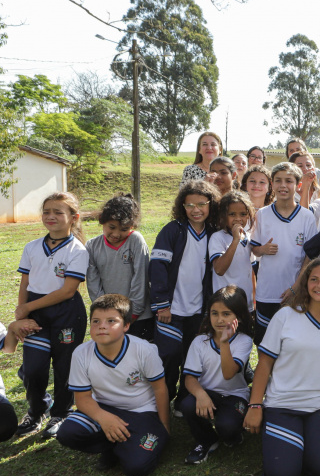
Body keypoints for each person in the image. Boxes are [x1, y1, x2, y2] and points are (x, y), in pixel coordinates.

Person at [245, 259, 320, 476]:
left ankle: (298, 447)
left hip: (319, 407)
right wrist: (255, 405)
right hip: (282, 405)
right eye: (314, 279)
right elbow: (264, 364)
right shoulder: (285, 316)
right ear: (305, 283)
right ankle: (290, 450)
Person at [55, 294, 170, 476]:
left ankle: (123, 444)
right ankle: (110, 444)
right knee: (67, 433)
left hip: (142, 412)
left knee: (136, 468)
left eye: (111, 321)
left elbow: (160, 388)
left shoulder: (144, 350)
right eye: (96, 321)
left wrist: (164, 426)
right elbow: (82, 399)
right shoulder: (81, 353)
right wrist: (103, 418)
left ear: (126, 326)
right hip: (105, 408)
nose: (102, 326)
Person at [15, 191, 89, 438]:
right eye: (46, 211)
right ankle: (37, 411)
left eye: (58, 212)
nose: (51, 216)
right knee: (33, 368)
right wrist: (21, 313)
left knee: (64, 367)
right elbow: (25, 283)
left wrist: (28, 308)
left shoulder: (78, 250)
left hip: (66, 314)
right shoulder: (32, 247)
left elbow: (68, 291)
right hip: (35, 314)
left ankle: (61, 413)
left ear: (73, 217)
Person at [150, 180, 220, 403]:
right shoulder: (173, 230)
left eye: (201, 204)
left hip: (199, 309)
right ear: (182, 206)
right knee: (168, 354)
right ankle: (164, 397)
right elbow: (157, 267)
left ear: (211, 204)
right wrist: (162, 303)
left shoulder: (213, 233)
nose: (195, 209)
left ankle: (184, 398)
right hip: (172, 309)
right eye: (190, 205)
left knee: (192, 356)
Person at [179, 285, 254, 464]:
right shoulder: (200, 341)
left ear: (238, 317)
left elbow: (228, 374)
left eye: (226, 314)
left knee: (227, 427)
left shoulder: (244, 341)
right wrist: (201, 394)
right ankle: (206, 440)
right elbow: (189, 378)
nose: (219, 319)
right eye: (214, 313)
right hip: (209, 393)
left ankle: (234, 433)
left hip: (235, 395)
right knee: (188, 405)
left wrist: (224, 342)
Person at [250, 162, 318, 344]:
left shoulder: (307, 216)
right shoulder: (262, 214)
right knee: (264, 342)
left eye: (288, 181)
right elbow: (254, 248)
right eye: (278, 180)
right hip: (267, 292)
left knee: (291, 342)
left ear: (298, 185)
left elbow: (310, 257)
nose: (283, 185)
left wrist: (296, 287)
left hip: (295, 292)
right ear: (272, 184)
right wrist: (262, 249)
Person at [86, 193, 154, 341]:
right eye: (112, 227)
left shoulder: (136, 241)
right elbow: (93, 284)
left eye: (124, 229)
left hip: (139, 316)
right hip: (110, 319)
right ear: (102, 220)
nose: (116, 234)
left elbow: (141, 279)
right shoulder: (92, 246)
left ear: (132, 226)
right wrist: (106, 313)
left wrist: (132, 314)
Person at [209, 191, 256, 317]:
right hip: (225, 304)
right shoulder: (218, 238)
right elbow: (219, 269)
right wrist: (235, 240)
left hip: (246, 303)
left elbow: (251, 271)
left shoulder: (249, 237)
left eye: (243, 214)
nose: (238, 218)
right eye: (232, 214)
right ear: (223, 216)